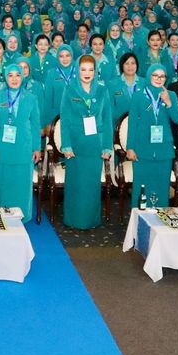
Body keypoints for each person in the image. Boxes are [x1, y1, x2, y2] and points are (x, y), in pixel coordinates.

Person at [57, 55, 113, 230]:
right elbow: (64, 119)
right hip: (75, 144)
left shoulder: (103, 90)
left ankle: (90, 219)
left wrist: (107, 146)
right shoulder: (69, 88)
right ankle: (73, 219)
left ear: (95, 71)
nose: (87, 73)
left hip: (95, 144)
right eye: (83, 69)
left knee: (91, 185)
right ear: (77, 70)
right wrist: (66, 145)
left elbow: (107, 119)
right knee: (75, 184)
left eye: (90, 69)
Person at [0, 65, 42, 217]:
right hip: (2, 147)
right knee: (4, 183)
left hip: (25, 147)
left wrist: (37, 147)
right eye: (10, 75)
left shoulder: (31, 98)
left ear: (22, 77)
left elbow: (36, 124)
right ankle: (3, 215)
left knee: (22, 184)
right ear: (6, 77)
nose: (14, 79)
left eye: (17, 75)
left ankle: (23, 216)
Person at [126, 64, 178, 208]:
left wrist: (168, 102)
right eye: (155, 75)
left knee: (161, 187)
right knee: (141, 187)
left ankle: (159, 222)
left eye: (162, 76)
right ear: (149, 75)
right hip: (142, 149)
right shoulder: (138, 95)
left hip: (164, 149)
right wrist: (130, 147)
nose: (158, 79)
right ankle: (139, 220)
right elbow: (132, 123)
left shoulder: (172, 95)